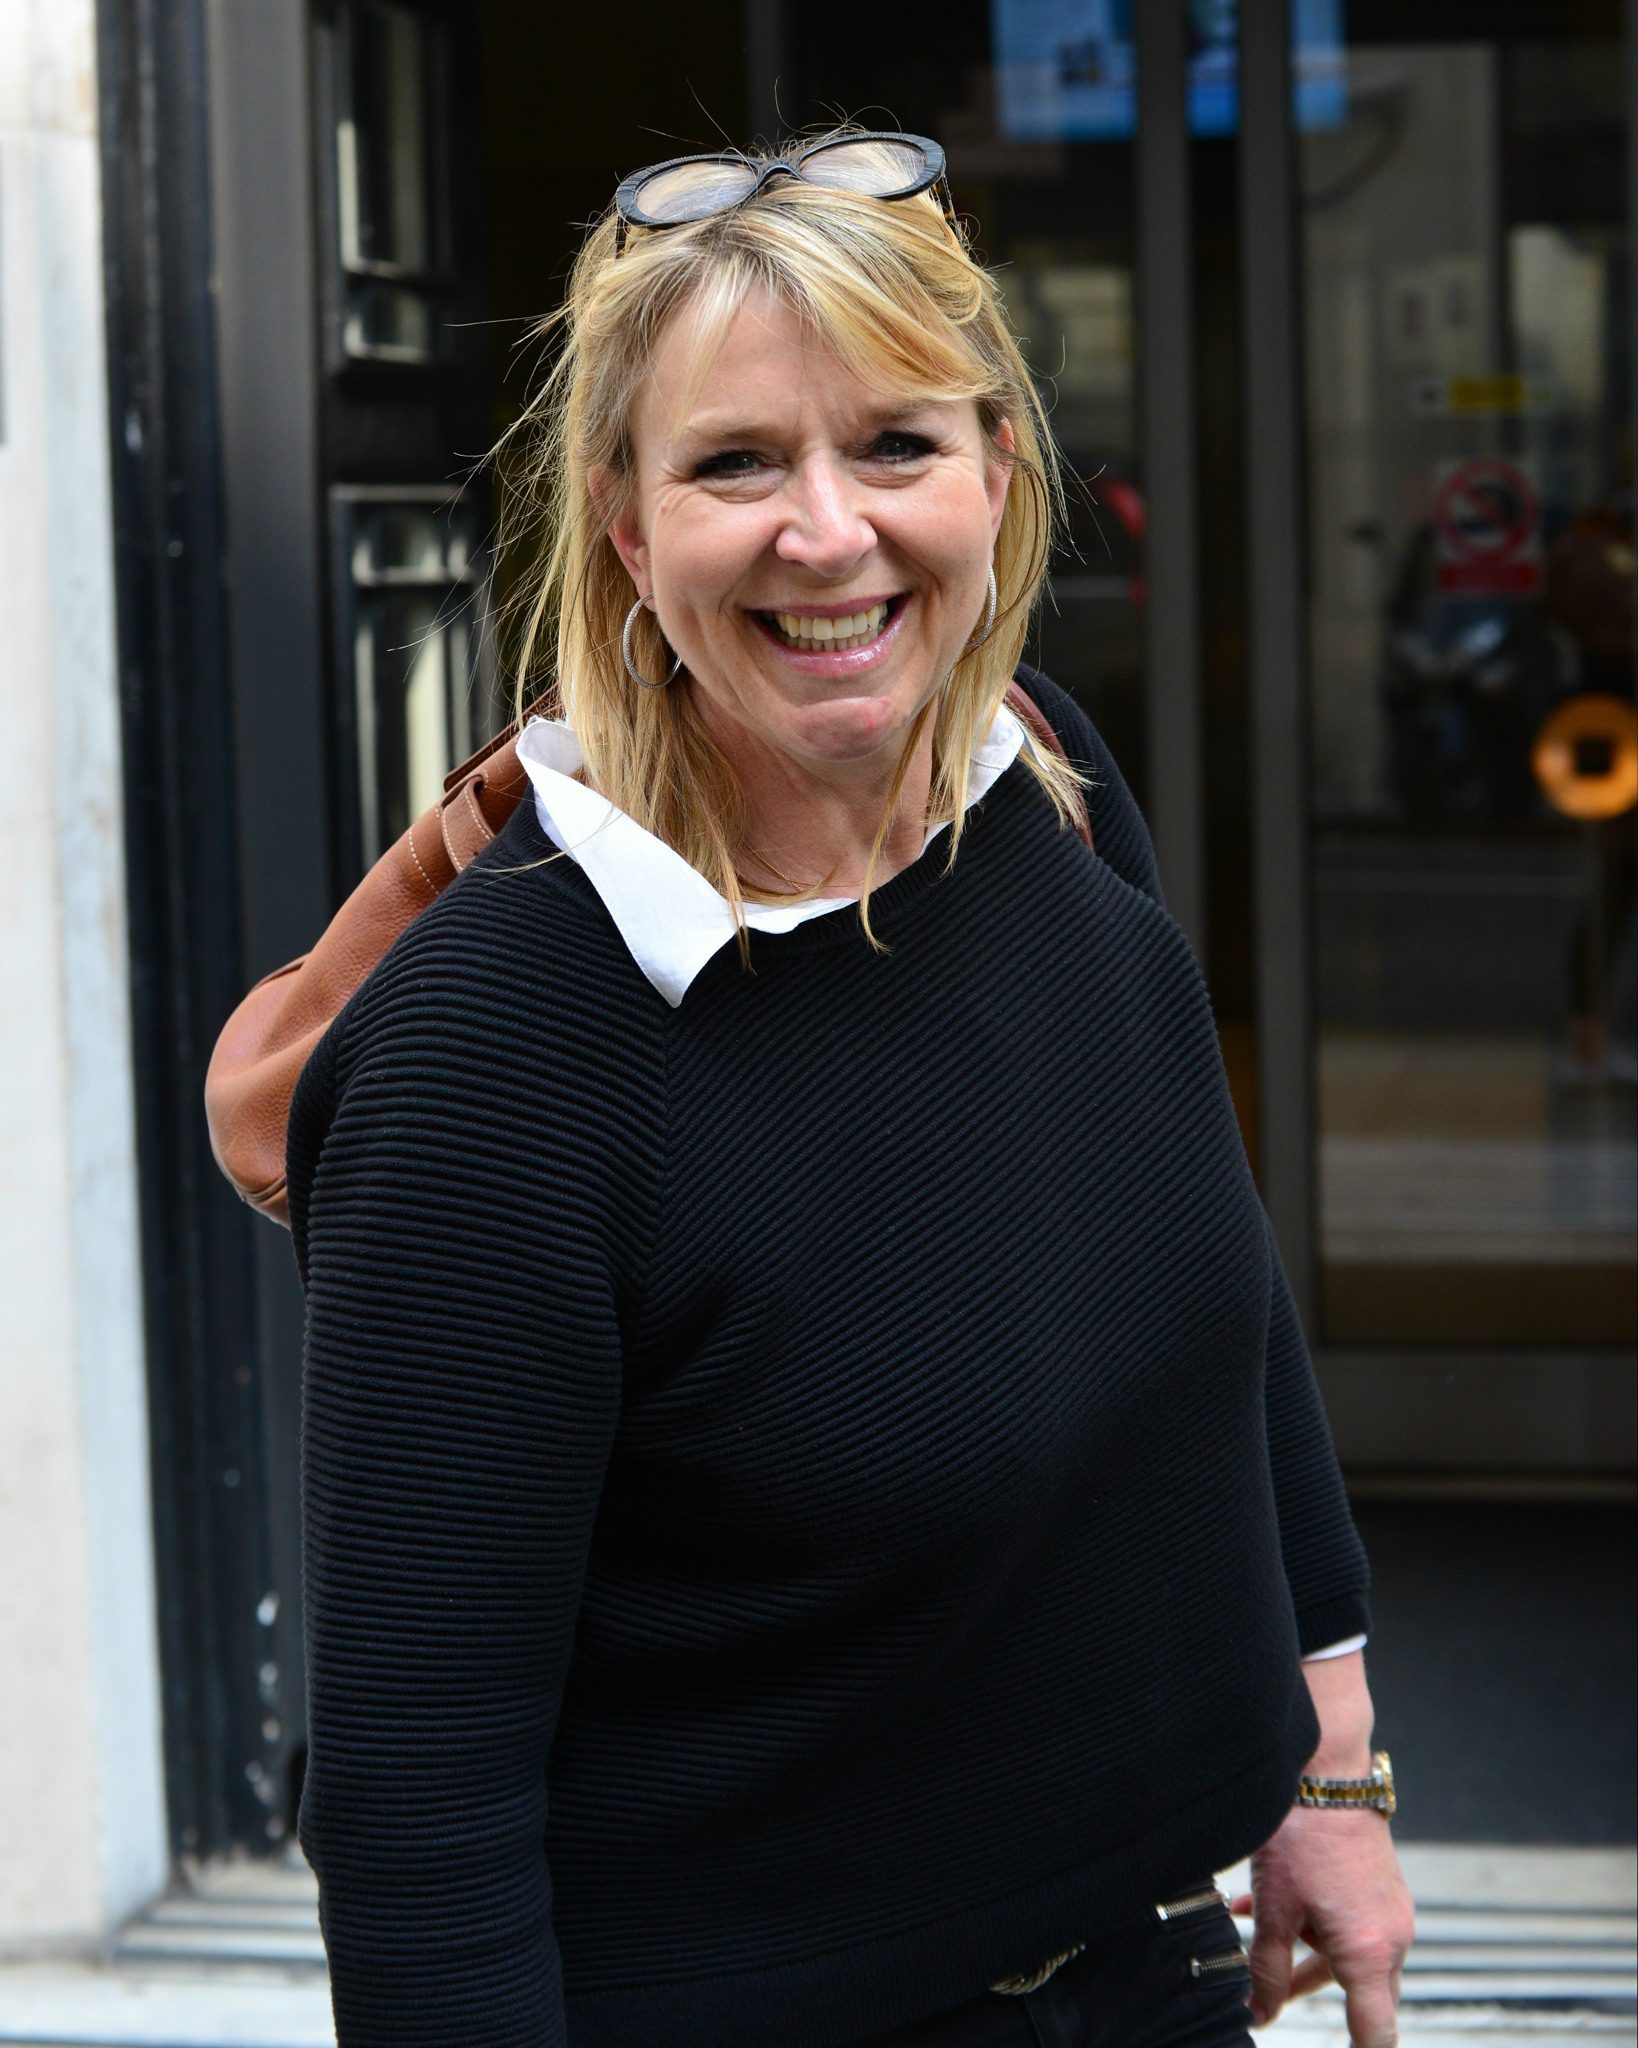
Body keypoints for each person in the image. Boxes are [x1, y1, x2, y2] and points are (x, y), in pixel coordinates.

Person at [285, 127, 1415, 2048]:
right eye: (735, 463)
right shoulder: (502, 1047)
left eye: (894, 443)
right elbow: (417, 1808)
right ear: (629, 533)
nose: (829, 533)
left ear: (997, 472)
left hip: (1149, 1980)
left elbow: (1224, 1311)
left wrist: (1328, 1766)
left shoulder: (1042, 788)